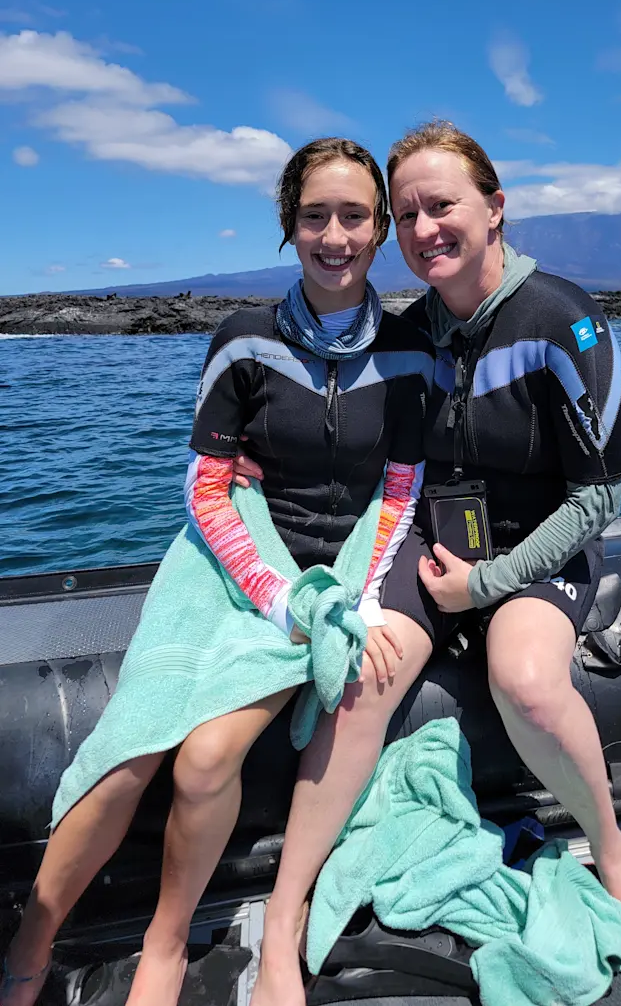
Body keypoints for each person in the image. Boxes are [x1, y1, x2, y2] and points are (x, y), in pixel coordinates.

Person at [243, 121, 621, 1005]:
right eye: (407, 214)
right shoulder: (409, 331)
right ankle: (283, 923)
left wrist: (486, 583)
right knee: (363, 673)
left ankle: (616, 856)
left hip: (536, 540)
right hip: (432, 537)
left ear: (494, 208)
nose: (423, 228)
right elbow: (340, 422)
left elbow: (597, 499)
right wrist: (255, 463)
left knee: (523, 676)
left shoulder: (567, 323)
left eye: (442, 205)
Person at [1, 138, 432, 1006]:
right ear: (289, 226)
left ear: (380, 229)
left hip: (342, 575)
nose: (334, 235)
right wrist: (275, 598)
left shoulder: (413, 351)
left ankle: (166, 943)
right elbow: (206, 488)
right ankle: (34, 935)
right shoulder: (242, 341)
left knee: (205, 763)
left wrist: (352, 597)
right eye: (315, 216)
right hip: (242, 567)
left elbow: (401, 491)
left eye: (354, 216)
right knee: (134, 744)